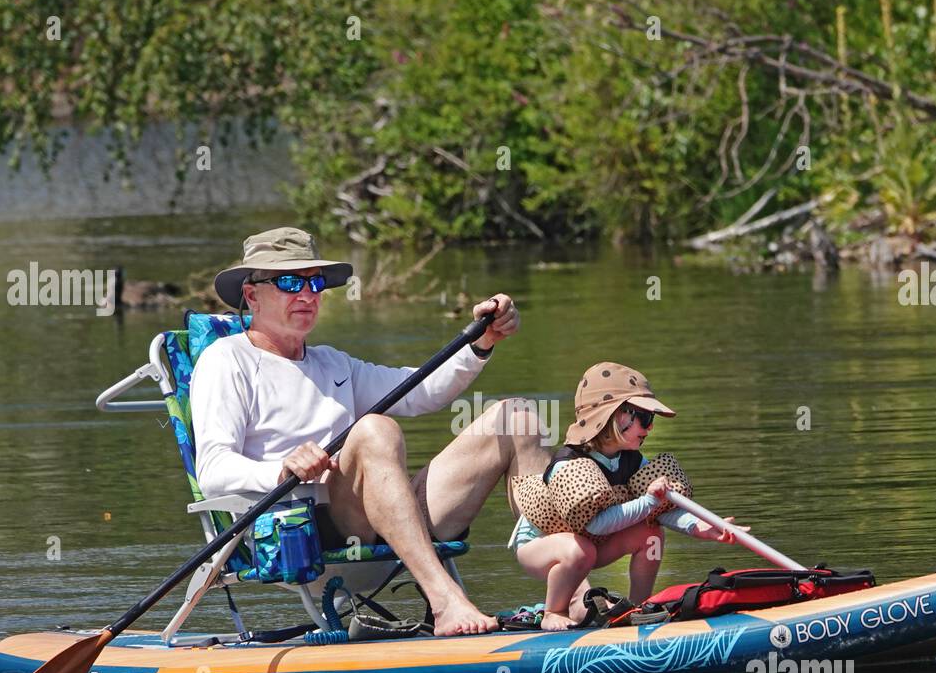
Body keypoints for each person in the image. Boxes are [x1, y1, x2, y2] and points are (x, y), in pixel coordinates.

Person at [191, 226, 550, 636]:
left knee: (515, 418)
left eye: (316, 282)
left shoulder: (334, 363)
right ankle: (444, 600)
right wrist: (280, 468)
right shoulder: (225, 361)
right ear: (252, 295)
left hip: (386, 522)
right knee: (374, 430)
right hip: (305, 536)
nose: (307, 294)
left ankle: (565, 591)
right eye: (290, 281)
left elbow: (422, 391)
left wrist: (481, 343)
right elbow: (213, 470)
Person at [509, 362, 748, 631]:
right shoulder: (569, 463)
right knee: (579, 550)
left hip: (589, 542)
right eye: (644, 418)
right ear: (615, 416)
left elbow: (662, 510)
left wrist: (702, 527)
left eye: (651, 419)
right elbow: (595, 525)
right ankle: (555, 611)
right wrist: (648, 501)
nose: (649, 428)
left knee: (651, 532)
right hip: (542, 546)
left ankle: (637, 608)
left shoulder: (631, 461)